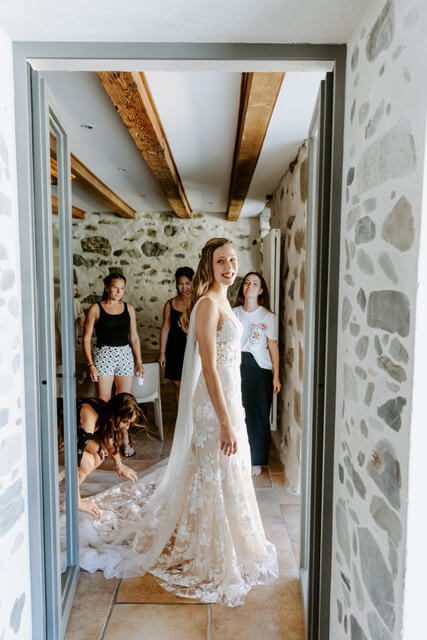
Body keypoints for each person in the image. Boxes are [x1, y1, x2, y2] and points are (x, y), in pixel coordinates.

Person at [76, 238, 278, 607]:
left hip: (229, 400)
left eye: (233, 260)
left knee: (228, 469)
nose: (230, 267)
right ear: (209, 265)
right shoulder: (207, 304)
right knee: (215, 469)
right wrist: (224, 421)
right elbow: (209, 369)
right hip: (213, 406)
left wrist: (235, 411)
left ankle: (234, 537)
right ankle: (210, 544)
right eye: (222, 261)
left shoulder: (225, 302)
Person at [82, 273, 144, 457]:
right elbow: (86, 339)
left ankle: (125, 439)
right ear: (107, 287)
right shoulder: (96, 308)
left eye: (122, 288)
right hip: (104, 355)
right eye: (115, 287)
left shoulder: (128, 308)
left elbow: (134, 337)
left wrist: (139, 361)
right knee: (104, 402)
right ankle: (106, 442)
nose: (119, 292)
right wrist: (91, 364)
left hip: (125, 354)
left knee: (125, 401)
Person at [233, 272, 281, 476]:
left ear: (261, 290)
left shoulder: (268, 317)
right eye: (246, 283)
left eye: (254, 283)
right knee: (237, 412)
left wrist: (276, 375)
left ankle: (256, 460)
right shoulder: (233, 313)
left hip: (260, 368)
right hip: (236, 366)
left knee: (259, 414)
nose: (249, 285)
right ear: (242, 288)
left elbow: (273, 346)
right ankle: (237, 456)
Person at [76, 392, 143, 517]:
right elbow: (77, 455)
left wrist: (119, 465)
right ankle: (75, 499)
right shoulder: (90, 414)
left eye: (129, 423)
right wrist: (79, 502)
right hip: (55, 438)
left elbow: (108, 439)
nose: (127, 428)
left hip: (73, 439)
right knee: (89, 461)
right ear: (114, 414)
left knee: (99, 455)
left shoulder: (107, 414)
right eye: (125, 422)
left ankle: (71, 487)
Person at [158, 266, 194, 403]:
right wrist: (162, 353)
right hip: (174, 349)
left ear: (193, 283)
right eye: (180, 284)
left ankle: (191, 415)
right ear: (176, 285)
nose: (184, 288)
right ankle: (181, 415)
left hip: (192, 348)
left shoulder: (198, 302)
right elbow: (165, 328)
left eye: (187, 283)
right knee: (178, 385)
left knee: (192, 385)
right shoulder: (170, 304)